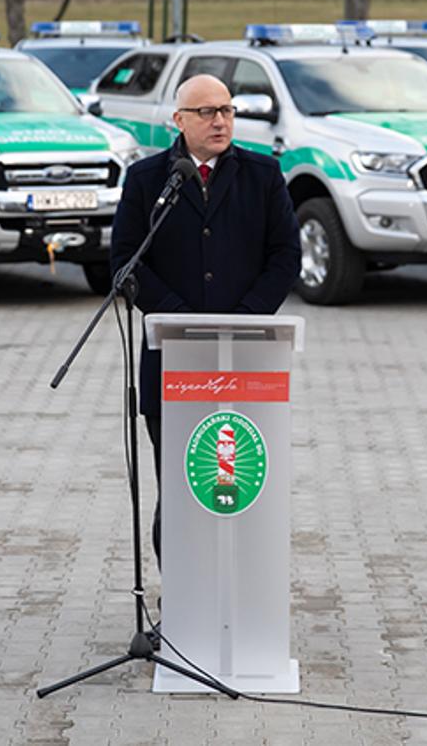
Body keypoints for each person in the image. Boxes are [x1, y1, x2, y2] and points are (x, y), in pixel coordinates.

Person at [109, 74, 302, 560]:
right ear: (179, 120)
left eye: (227, 110)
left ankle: (242, 590)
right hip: (172, 361)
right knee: (180, 485)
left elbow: (285, 257)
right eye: (207, 112)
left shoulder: (263, 174)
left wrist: (242, 320)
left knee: (238, 484)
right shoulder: (148, 179)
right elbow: (127, 262)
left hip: (248, 361)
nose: (220, 120)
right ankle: (178, 598)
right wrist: (183, 321)